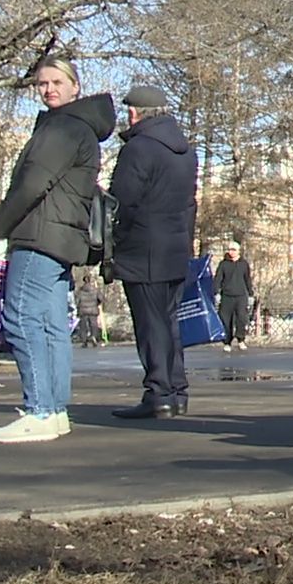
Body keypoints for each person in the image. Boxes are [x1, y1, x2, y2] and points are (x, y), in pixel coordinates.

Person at [0, 56, 116, 443]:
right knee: (52, 325)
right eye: (42, 83)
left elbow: (32, 184)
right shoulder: (80, 128)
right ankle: (55, 411)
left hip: (39, 236)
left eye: (57, 82)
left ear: (75, 86)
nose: (49, 89)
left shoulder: (63, 127)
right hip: (62, 240)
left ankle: (40, 410)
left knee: (21, 318)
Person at [108, 84, 199, 420]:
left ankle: (158, 393)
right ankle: (176, 392)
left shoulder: (138, 149)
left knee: (150, 324)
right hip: (174, 248)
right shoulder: (186, 151)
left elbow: (122, 201)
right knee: (169, 322)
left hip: (142, 249)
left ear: (134, 113)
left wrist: (115, 241)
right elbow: (190, 204)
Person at [214, 241, 254, 351]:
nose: (231, 252)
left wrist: (251, 294)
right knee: (226, 320)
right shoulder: (223, 264)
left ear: (238, 251)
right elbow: (218, 279)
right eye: (230, 250)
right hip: (227, 296)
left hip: (241, 296)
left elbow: (247, 280)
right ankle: (227, 342)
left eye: (234, 250)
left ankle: (241, 339)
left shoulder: (243, 264)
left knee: (241, 318)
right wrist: (216, 293)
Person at [72, 272, 104, 348]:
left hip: (83, 310)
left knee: (83, 326)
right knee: (93, 325)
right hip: (93, 310)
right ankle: (94, 336)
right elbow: (101, 299)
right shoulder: (95, 290)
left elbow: (77, 301)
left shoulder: (80, 291)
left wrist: (78, 308)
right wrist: (97, 303)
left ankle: (84, 340)